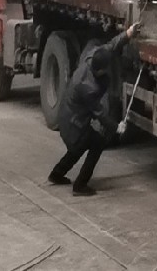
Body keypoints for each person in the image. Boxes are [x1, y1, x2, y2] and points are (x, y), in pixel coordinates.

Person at [48, 24, 137, 196]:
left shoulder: (94, 55)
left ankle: (56, 174)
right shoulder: (87, 87)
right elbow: (100, 113)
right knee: (95, 143)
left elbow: (111, 45)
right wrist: (117, 127)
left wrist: (128, 33)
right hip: (72, 123)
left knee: (80, 146)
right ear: (100, 70)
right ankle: (80, 185)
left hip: (72, 116)